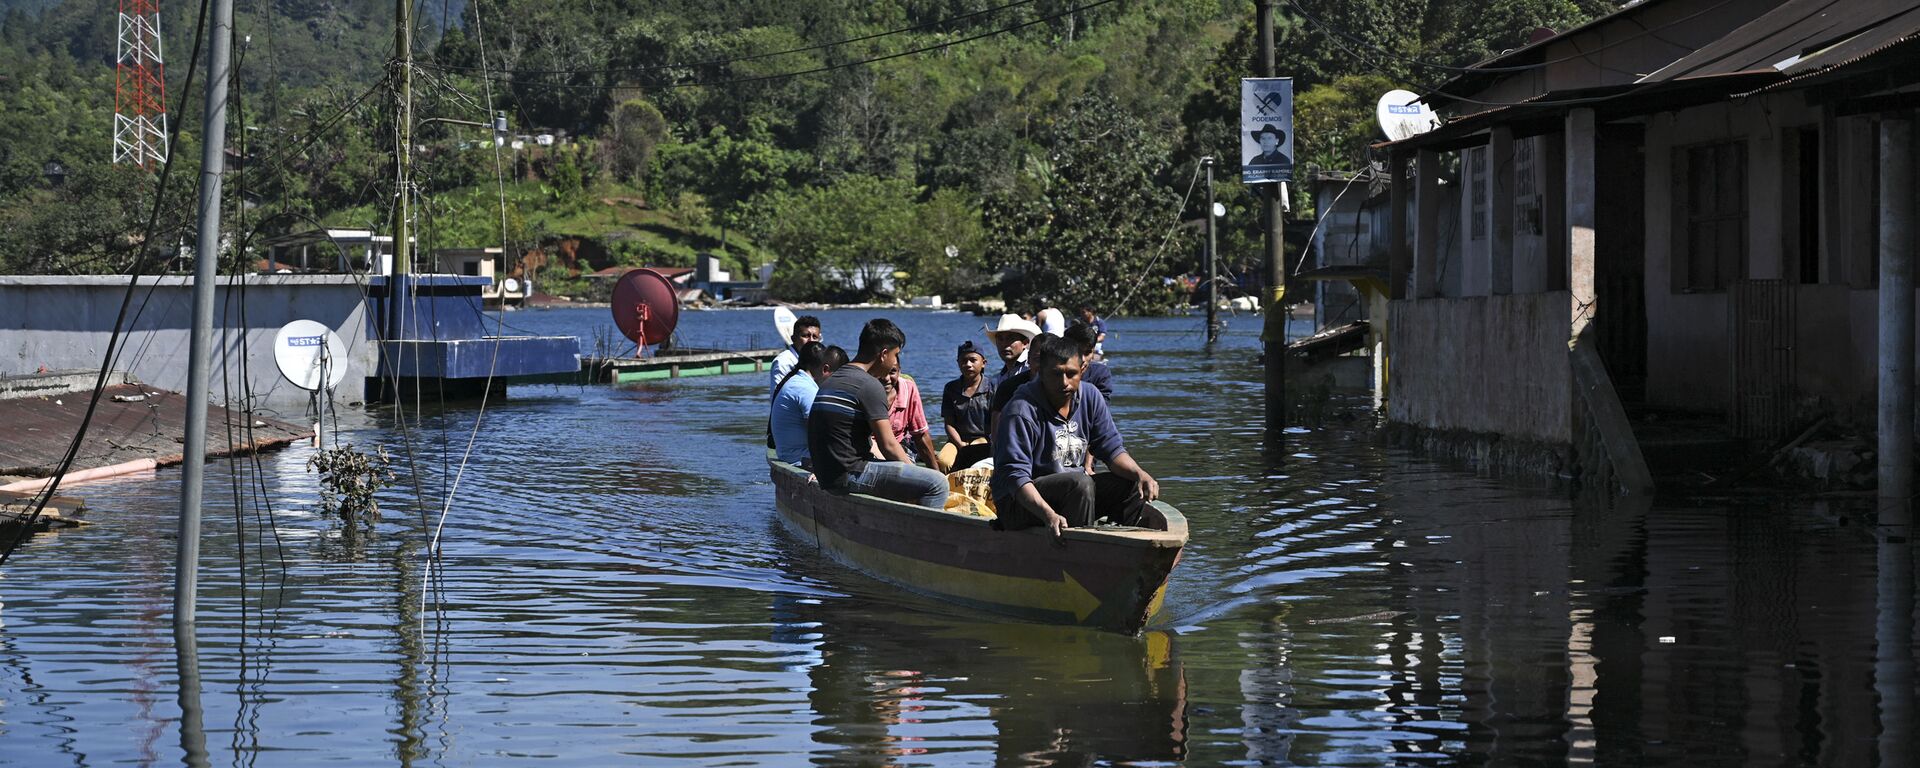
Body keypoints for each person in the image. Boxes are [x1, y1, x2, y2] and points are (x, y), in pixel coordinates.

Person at [991, 334, 1164, 537]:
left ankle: (1123, 543)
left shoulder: (1090, 396)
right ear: (1040, 372)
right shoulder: (1021, 410)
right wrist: (1049, 515)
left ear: (1083, 370)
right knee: (1080, 484)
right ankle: (1078, 547)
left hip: (1074, 494)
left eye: (1071, 374)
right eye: (1055, 374)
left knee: (1130, 482)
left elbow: (1111, 449)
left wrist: (1140, 474)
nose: (1064, 382)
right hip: (1019, 502)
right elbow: (1016, 477)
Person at [807, 319, 949, 508]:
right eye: (895, 354)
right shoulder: (869, 385)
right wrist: (917, 474)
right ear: (883, 354)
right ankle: (921, 535)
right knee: (937, 483)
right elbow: (889, 446)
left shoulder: (832, 380)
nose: (894, 361)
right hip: (848, 475)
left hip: (827, 474)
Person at [769, 341, 830, 466]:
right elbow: (817, 433)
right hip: (799, 458)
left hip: (789, 454)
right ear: (824, 367)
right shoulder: (805, 389)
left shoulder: (796, 381)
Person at [941, 341, 995, 470]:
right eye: (964, 361)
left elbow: (996, 421)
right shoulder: (951, 388)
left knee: (975, 460)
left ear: (983, 363)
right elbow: (949, 423)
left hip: (983, 440)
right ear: (958, 363)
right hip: (958, 439)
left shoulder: (993, 387)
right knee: (943, 461)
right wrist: (960, 444)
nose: (968, 364)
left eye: (973, 360)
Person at [882, 370, 942, 472]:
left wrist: (936, 474)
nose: (886, 378)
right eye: (882, 373)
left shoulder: (908, 387)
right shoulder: (866, 391)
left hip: (901, 446)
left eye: (892, 372)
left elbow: (920, 434)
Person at [769, 314, 823, 398]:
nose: (811, 340)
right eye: (805, 336)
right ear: (793, 338)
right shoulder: (783, 362)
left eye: (815, 337)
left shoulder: (820, 360)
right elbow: (777, 397)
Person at [984, 313, 1040, 388]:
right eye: (1000, 339)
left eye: (1011, 339)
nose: (1004, 344)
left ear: (1025, 343)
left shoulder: (1032, 367)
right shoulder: (1001, 376)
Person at [1064, 322, 1112, 400]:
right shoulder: (1055, 373)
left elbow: (1102, 407)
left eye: (1087, 353)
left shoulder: (1100, 374)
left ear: (1093, 352)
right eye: (1077, 352)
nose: (1083, 359)